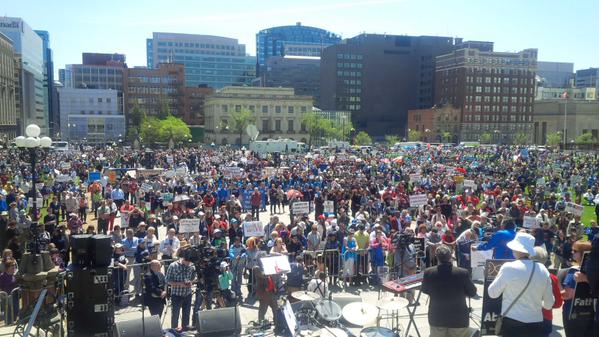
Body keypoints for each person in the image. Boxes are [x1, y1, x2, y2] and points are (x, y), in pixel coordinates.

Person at [488, 232, 555, 337]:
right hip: (535, 323)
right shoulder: (543, 270)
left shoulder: (509, 267)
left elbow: (492, 293)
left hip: (512, 322)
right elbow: (549, 304)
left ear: (516, 249)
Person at [421, 245, 477, 337]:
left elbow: (425, 290)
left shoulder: (428, 272)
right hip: (458, 318)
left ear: (436, 257)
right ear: (450, 256)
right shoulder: (463, 272)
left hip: (437, 317)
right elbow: (473, 292)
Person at [561, 239, 593, 337]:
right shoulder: (594, 271)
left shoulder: (574, 271)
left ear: (583, 254)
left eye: (575, 251)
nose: (572, 252)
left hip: (574, 313)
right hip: (591, 311)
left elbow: (567, 295)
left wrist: (556, 288)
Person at [531, 246, 563, 337]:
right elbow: (557, 303)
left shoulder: (520, 274)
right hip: (545, 317)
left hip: (523, 316)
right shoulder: (552, 277)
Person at [165, 252, 197, 332]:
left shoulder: (191, 266)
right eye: (187, 262)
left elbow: (193, 278)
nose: (188, 264)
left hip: (188, 294)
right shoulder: (173, 266)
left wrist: (191, 282)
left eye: (190, 262)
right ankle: (174, 332)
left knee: (186, 315)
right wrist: (179, 284)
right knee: (175, 315)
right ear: (183, 259)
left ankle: (185, 331)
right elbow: (167, 280)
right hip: (176, 295)